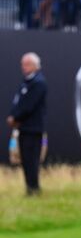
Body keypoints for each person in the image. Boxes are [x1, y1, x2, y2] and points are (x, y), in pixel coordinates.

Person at [6, 53, 47, 195]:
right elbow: (18, 103)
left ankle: (34, 188)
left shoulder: (39, 83)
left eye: (27, 64)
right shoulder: (26, 82)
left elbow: (29, 106)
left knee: (32, 159)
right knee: (25, 159)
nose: (23, 67)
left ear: (35, 65)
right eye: (22, 64)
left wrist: (15, 118)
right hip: (23, 128)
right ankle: (30, 188)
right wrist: (13, 116)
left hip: (33, 129)